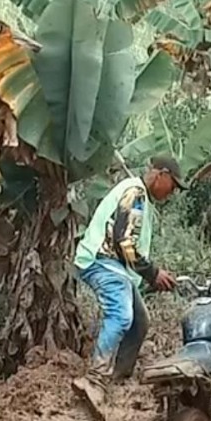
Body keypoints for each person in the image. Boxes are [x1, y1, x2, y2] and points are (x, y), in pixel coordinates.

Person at [73, 154, 185, 387]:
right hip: (102, 262)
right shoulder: (134, 193)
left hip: (116, 267)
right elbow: (124, 242)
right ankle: (95, 379)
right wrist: (153, 273)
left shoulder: (140, 196)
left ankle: (119, 377)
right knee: (122, 316)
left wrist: (151, 275)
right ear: (160, 175)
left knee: (140, 321)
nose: (172, 192)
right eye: (172, 185)